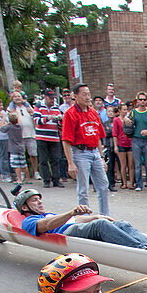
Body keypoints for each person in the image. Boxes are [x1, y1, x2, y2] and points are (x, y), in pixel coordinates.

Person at [16, 189, 147, 249]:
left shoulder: (48, 214)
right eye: (34, 200)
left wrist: (94, 217)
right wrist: (71, 213)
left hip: (74, 228)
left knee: (121, 224)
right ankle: (142, 250)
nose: (40, 202)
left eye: (39, 199)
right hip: (66, 234)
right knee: (100, 225)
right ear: (24, 208)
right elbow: (45, 225)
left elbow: (75, 221)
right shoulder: (28, 221)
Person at [61, 84, 111, 216]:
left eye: (88, 94)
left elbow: (98, 137)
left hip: (94, 151)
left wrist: (101, 157)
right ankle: (84, 217)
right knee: (83, 189)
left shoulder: (93, 112)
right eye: (84, 94)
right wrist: (70, 162)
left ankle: (105, 216)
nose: (87, 97)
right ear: (75, 96)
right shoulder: (70, 114)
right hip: (80, 153)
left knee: (103, 186)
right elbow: (66, 140)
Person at [33, 90, 65, 188]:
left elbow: (60, 126)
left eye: (53, 98)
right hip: (42, 137)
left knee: (56, 159)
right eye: (50, 98)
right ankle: (46, 180)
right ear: (45, 97)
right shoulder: (38, 107)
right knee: (43, 160)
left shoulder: (56, 107)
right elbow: (36, 121)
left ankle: (56, 180)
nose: (52, 100)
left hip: (54, 137)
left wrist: (60, 120)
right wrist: (48, 118)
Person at [128, 92, 147, 191]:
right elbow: (126, 122)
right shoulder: (133, 112)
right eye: (140, 99)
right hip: (136, 140)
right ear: (137, 101)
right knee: (137, 164)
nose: (142, 101)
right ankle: (138, 184)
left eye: (144, 99)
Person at [9, 90, 39, 178]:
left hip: (30, 133)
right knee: (21, 155)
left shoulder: (27, 106)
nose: (17, 98)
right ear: (12, 99)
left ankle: (36, 172)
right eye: (15, 96)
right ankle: (22, 174)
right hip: (19, 136)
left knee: (33, 154)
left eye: (19, 96)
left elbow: (34, 115)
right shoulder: (12, 108)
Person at [1, 113, 29, 183]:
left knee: (17, 165)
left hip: (13, 148)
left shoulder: (9, 127)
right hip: (21, 147)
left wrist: (6, 123)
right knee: (24, 165)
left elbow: (1, 129)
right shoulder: (20, 126)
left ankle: (19, 179)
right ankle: (28, 179)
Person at [113, 101, 134, 190]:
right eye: (124, 109)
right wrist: (115, 146)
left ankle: (131, 183)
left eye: (126, 109)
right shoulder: (116, 120)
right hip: (121, 143)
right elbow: (115, 133)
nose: (125, 111)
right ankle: (124, 182)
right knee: (123, 165)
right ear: (119, 110)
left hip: (130, 143)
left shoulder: (130, 118)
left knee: (131, 164)